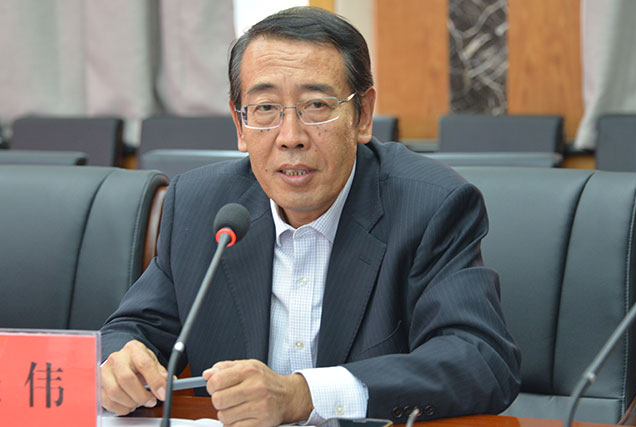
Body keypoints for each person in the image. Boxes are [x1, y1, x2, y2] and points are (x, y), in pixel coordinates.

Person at [100, 6, 521, 426]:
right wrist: (120, 366)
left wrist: (304, 395)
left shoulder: (429, 206)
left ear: (363, 116)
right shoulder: (201, 205)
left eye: (317, 105)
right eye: (265, 108)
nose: (291, 137)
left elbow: (480, 360)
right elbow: (131, 329)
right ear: (240, 125)